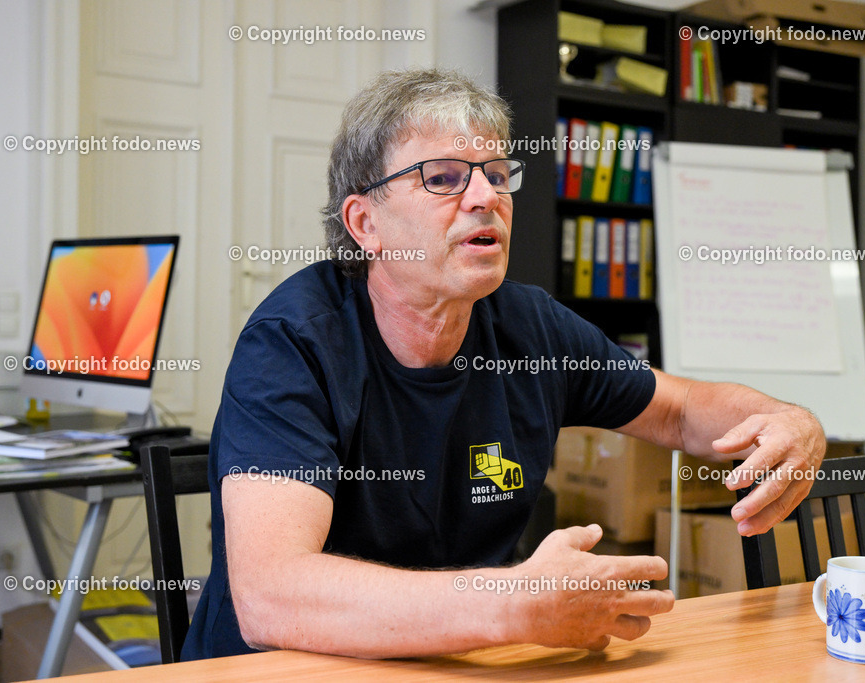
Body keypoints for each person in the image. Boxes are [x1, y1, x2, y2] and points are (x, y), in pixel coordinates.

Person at [181, 68, 826, 661]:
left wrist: (785, 419)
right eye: (443, 177)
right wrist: (513, 603)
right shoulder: (294, 342)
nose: (485, 196)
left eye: (496, 173)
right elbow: (272, 597)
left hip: (458, 664)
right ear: (364, 223)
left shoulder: (530, 327)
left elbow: (682, 410)